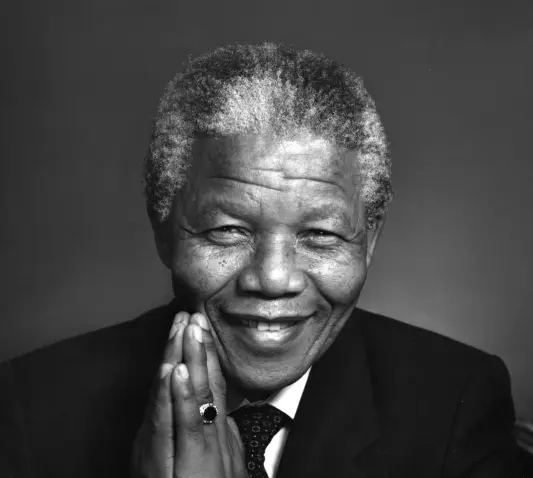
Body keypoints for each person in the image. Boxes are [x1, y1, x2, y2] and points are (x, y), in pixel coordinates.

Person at [0, 42, 524, 478]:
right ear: (163, 231)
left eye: (319, 234)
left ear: (368, 242)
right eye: (227, 230)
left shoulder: (456, 402)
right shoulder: (32, 408)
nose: (273, 279)